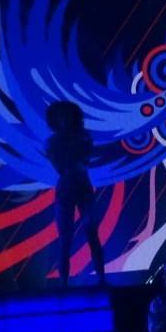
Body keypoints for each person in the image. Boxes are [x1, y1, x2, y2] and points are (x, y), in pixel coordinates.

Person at [44, 101, 105, 287]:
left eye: (67, 115)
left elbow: (84, 159)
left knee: (91, 234)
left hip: (82, 187)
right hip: (67, 188)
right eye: (61, 116)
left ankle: (101, 279)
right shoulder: (54, 141)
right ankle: (64, 283)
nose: (65, 119)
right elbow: (61, 166)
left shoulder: (82, 136)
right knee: (66, 238)